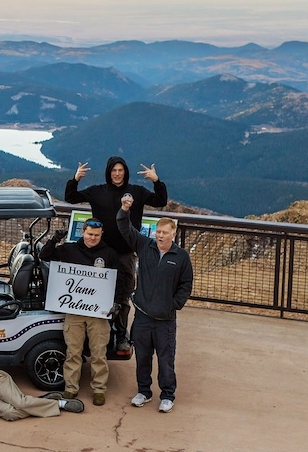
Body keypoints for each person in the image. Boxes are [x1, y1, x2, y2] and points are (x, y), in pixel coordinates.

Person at [64, 156, 168, 353]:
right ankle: (97, 334)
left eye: (120, 170)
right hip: (100, 254)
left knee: (123, 297)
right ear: (109, 172)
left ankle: (121, 336)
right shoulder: (97, 191)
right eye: (114, 170)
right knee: (97, 294)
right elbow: (71, 197)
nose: (117, 174)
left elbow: (160, 201)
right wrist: (75, 179)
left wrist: (156, 181)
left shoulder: (136, 192)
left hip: (126, 254)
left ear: (125, 172)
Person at [118, 195, 193, 413]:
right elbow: (125, 227)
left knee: (166, 359)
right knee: (142, 357)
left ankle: (167, 395)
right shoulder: (145, 246)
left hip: (165, 320)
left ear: (173, 234)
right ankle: (144, 392)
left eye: (165, 232)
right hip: (142, 317)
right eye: (158, 232)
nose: (160, 236)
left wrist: (174, 304)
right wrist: (124, 210)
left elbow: (186, 284)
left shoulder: (181, 257)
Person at [39, 218, 119, 407]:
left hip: (98, 312)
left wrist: (116, 302)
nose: (92, 238)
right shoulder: (69, 250)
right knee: (73, 352)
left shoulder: (109, 253)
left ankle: (99, 390)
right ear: (82, 232)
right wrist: (54, 240)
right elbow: (44, 255)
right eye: (90, 234)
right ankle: (71, 388)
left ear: (101, 235)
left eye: (96, 235)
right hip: (74, 310)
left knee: (99, 353)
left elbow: (119, 280)